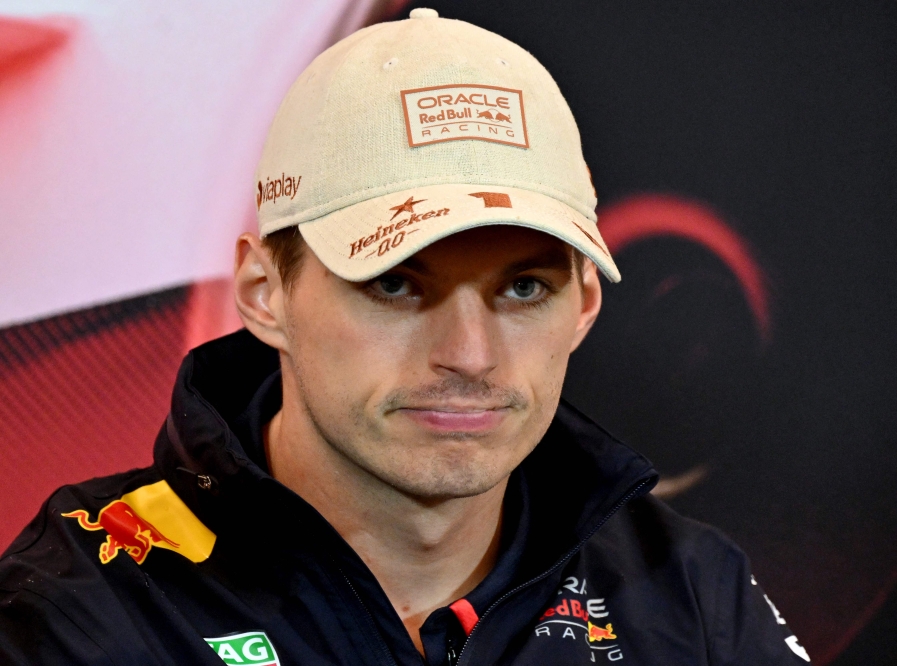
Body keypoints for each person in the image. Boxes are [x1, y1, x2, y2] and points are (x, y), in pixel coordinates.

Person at [0, 8, 810, 665]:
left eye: (524, 288)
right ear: (264, 294)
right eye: (395, 284)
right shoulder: (90, 606)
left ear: (585, 305)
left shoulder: (689, 595)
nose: (470, 354)